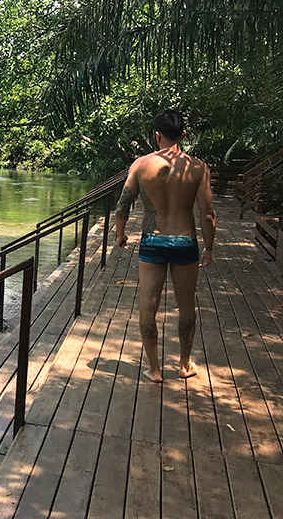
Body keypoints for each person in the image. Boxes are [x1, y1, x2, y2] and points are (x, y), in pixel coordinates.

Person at [114, 109, 216, 383]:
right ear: (183, 134)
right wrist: (209, 247)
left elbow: (123, 205)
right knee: (186, 306)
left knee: (148, 305)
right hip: (185, 242)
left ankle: (154, 369)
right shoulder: (197, 167)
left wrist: (120, 235)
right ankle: (184, 364)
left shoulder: (141, 165)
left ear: (156, 135)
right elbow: (207, 213)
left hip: (153, 240)